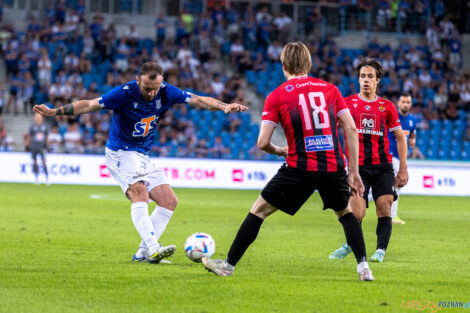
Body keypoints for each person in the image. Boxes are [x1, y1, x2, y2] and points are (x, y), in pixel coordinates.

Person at [33, 62, 247, 264]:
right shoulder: (123, 93)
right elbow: (89, 104)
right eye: (147, 88)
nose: (152, 93)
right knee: (139, 193)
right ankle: (154, 247)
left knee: (168, 201)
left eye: (155, 88)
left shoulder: (166, 91)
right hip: (120, 152)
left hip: (142, 154)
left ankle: (143, 253)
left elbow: (198, 100)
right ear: (138, 80)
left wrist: (223, 106)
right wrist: (55, 112)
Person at [202, 42, 375, 281]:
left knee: (258, 211)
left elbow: (262, 142)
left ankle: (228, 265)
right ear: (309, 64)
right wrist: (354, 172)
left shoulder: (277, 96)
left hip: (299, 166)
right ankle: (364, 267)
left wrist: (280, 150)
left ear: (283, 65)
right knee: (345, 212)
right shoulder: (330, 90)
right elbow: (351, 129)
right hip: (333, 166)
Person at [329, 57, 409, 263]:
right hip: (358, 168)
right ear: (358, 79)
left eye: (370, 76)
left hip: (383, 167)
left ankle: (380, 250)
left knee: (385, 206)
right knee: (356, 214)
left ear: (378, 81)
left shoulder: (387, 107)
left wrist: (403, 169)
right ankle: (350, 243)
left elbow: (400, 137)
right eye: (362, 76)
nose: (366, 80)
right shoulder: (346, 104)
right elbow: (329, 129)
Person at [387, 93, 416, 224]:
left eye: (408, 102)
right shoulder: (392, 117)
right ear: (398, 103)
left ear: (411, 104)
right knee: (397, 184)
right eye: (403, 102)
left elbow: (412, 135)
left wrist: (412, 141)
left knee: (394, 185)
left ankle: (391, 214)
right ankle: (392, 216)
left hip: (401, 157)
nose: (405, 104)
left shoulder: (412, 120)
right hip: (391, 154)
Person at [29, 113, 49, 184]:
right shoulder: (32, 127)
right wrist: (29, 146)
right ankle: (36, 178)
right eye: (37, 117)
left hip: (42, 147)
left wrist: (47, 146)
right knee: (35, 162)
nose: (38, 119)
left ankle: (47, 178)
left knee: (43, 162)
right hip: (34, 147)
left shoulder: (45, 127)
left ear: (42, 118)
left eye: (39, 117)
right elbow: (30, 137)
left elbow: (47, 137)